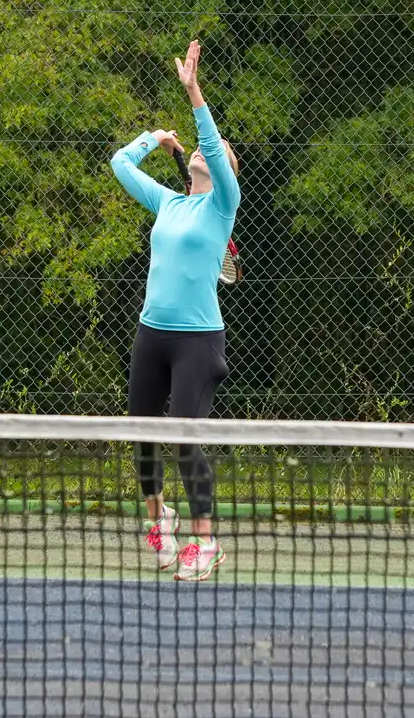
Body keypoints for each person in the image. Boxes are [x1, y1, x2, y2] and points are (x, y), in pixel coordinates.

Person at [108, 38, 241, 582]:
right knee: (142, 433)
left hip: (197, 341)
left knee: (185, 439)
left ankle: (206, 544)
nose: (204, 151)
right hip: (150, 334)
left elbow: (211, 141)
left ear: (223, 167)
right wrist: (154, 138)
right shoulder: (169, 200)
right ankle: (160, 519)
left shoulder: (221, 206)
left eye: (216, 151)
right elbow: (120, 164)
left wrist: (193, 93)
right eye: (196, 150)